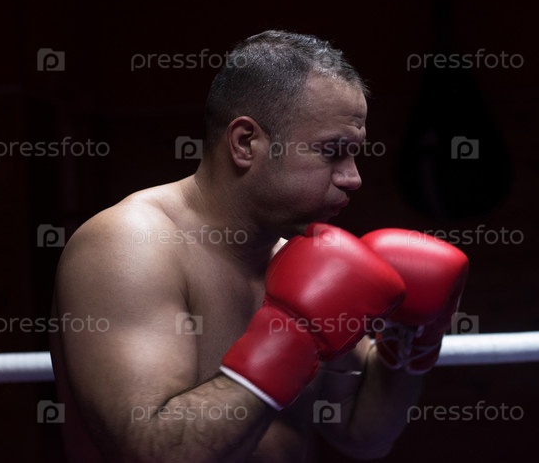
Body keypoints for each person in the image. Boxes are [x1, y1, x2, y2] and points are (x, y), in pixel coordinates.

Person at [50, 30, 468, 462]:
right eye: (332, 151)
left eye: (354, 154)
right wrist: (290, 341)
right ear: (246, 143)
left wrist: (407, 344)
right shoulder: (131, 244)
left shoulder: (302, 261)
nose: (353, 178)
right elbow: (153, 452)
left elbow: (360, 433)